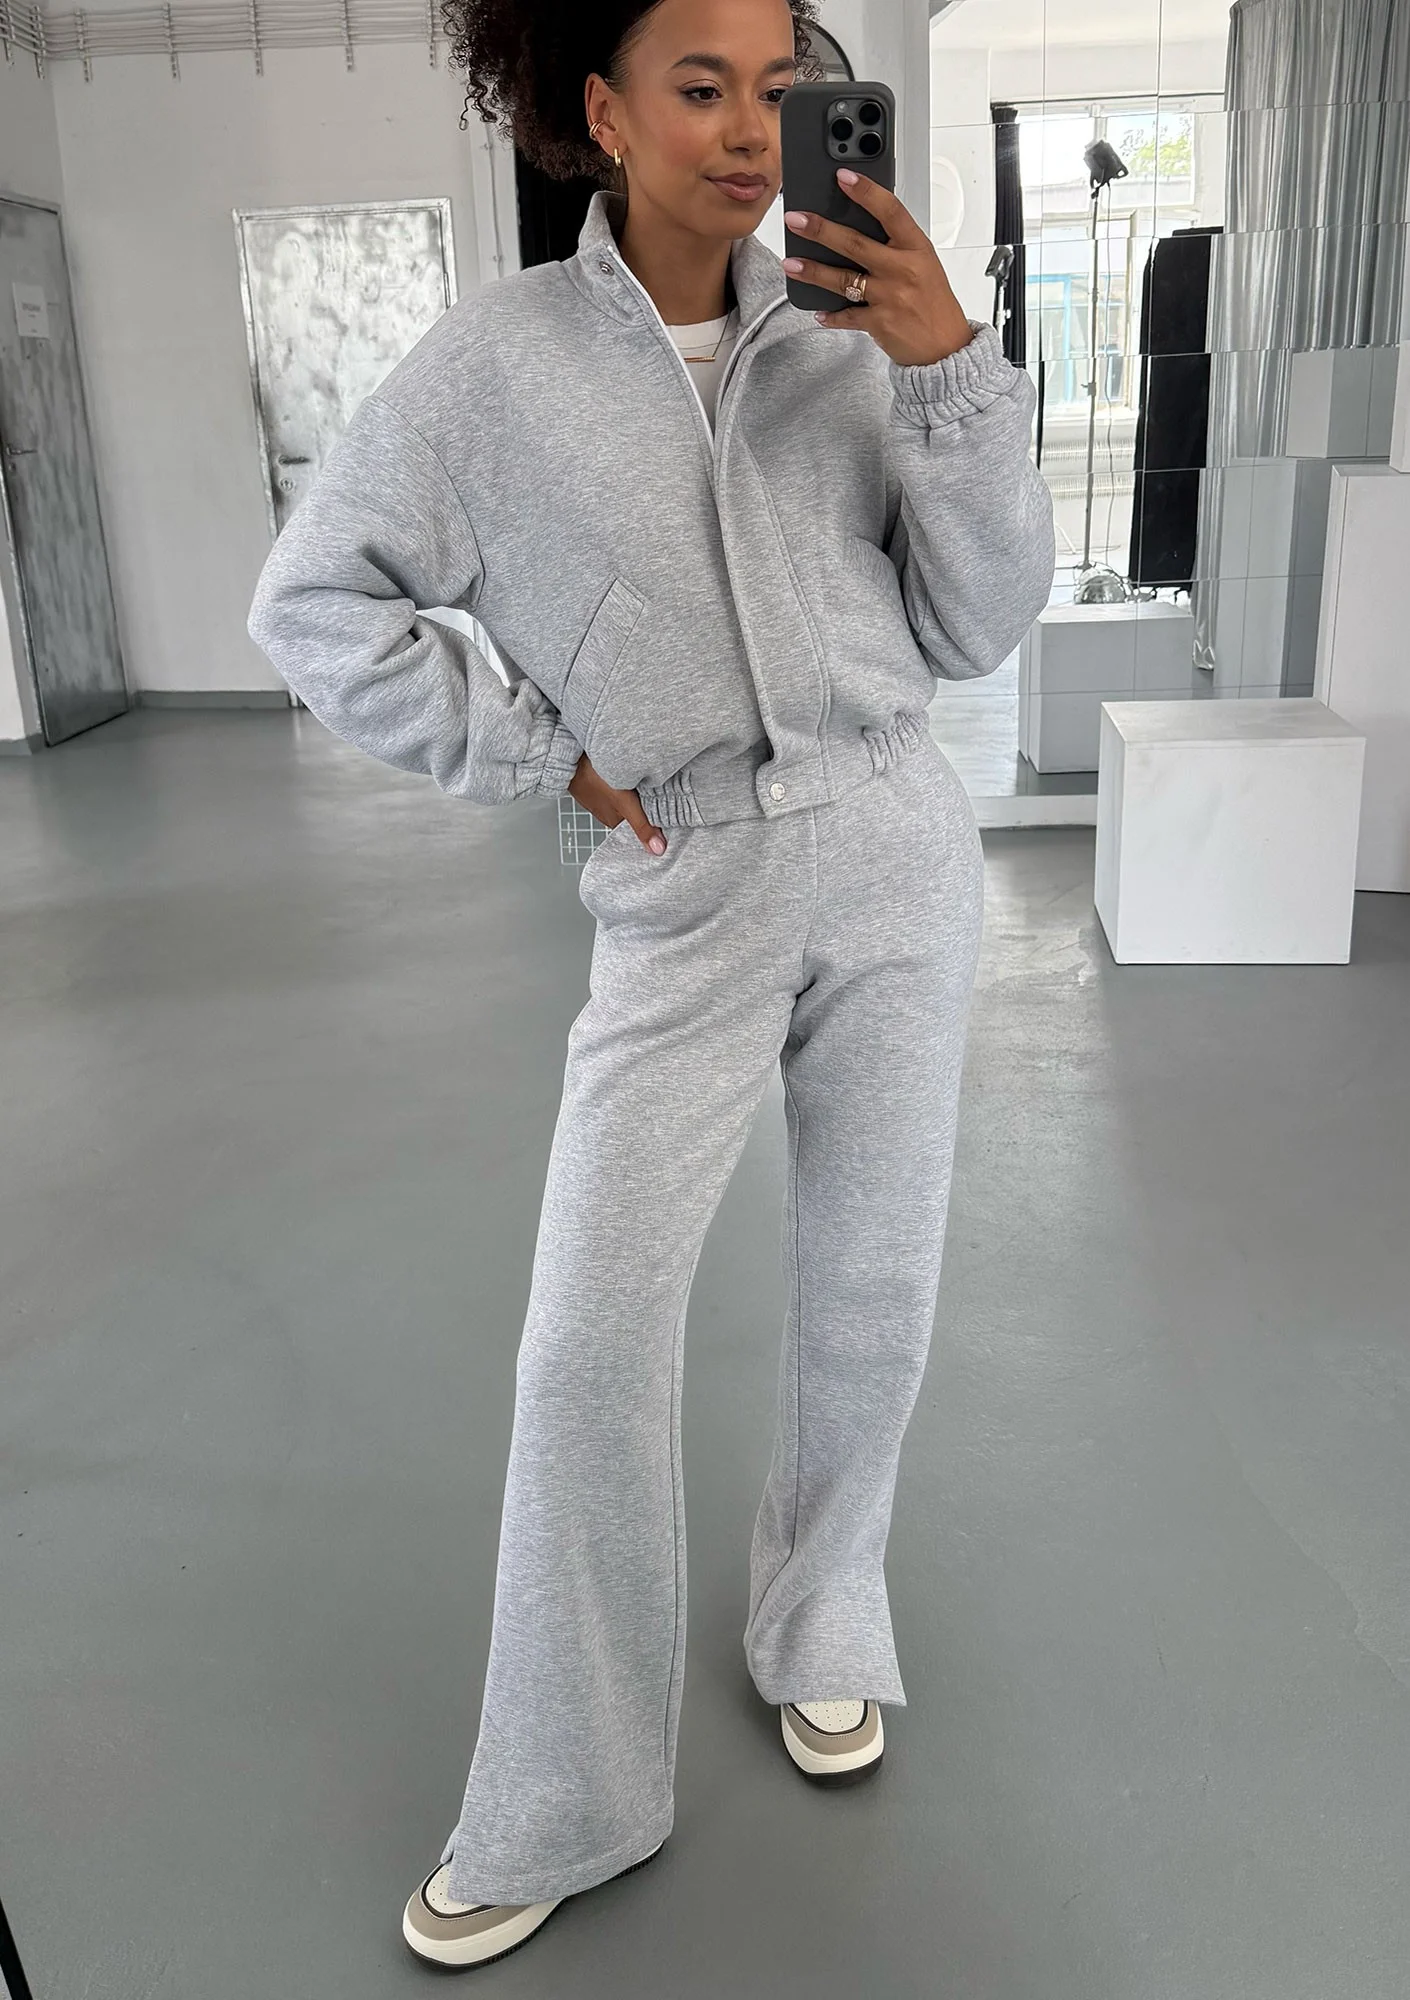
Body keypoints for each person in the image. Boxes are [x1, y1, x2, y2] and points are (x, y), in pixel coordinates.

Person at [246, 0, 1055, 1973]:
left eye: (780, 90)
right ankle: (561, 1788)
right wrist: (539, 752)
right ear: (598, 112)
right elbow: (313, 601)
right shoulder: (492, 372)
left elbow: (979, 621)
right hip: (682, 878)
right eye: (700, 88)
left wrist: (950, 372)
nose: (750, 130)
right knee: (587, 1344)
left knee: (871, 1289)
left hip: (891, 842)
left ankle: (823, 1616)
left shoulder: (854, 331)